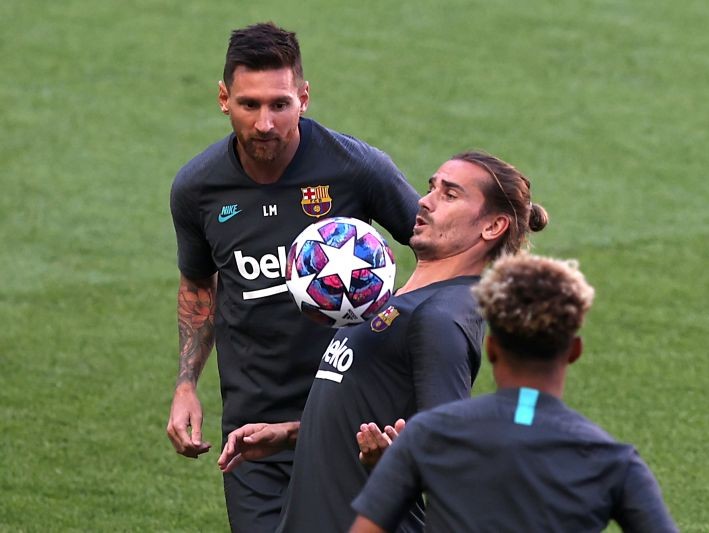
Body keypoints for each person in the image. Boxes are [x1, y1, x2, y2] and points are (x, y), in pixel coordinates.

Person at [166, 22, 420, 532]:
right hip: (254, 434)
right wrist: (186, 383)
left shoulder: (357, 169)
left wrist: (391, 311)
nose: (265, 123)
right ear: (223, 99)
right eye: (249, 104)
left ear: (304, 97)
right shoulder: (197, 189)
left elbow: (440, 251)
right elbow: (198, 285)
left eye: (280, 104)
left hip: (353, 415)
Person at [217, 151, 550, 532]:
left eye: (450, 195)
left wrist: (396, 465)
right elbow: (377, 412)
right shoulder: (401, 303)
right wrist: (294, 433)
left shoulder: (439, 317)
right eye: (431, 187)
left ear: (492, 227)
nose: (425, 201)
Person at [349, 253, 679, 533]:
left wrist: (393, 471)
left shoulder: (426, 436)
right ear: (574, 351)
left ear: (491, 348)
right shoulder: (612, 462)